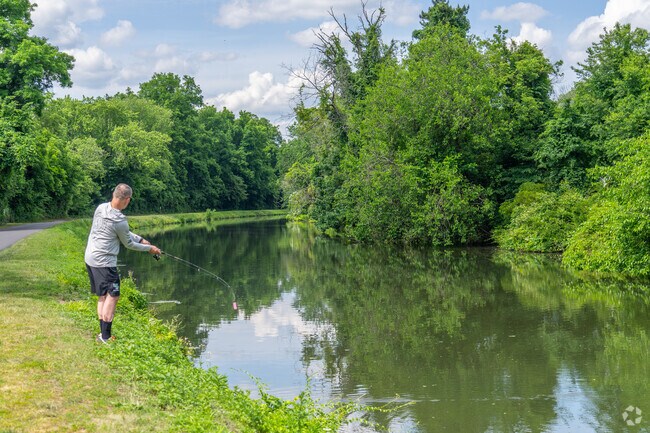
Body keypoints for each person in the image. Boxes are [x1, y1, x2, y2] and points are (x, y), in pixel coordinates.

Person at [85, 183, 161, 343]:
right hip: (105, 262)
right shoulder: (120, 220)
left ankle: (102, 335)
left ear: (114, 194)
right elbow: (128, 244)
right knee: (113, 296)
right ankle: (105, 337)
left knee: (102, 296)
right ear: (128, 200)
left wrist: (140, 239)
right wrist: (150, 249)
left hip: (91, 258)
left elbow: (124, 232)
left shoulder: (101, 208)